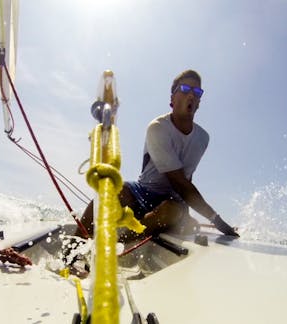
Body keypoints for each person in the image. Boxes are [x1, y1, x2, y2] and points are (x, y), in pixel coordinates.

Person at [77, 69, 239, 240]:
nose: (191, 95)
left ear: (199, 102)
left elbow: (186, 179)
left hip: (173, 202)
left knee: (170, 210)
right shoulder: (158, 128)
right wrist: (216, 219)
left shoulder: (202, 139)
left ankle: (123, 245)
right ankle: (73, 249)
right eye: (185, 89)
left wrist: (187, 214)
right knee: (112, 190)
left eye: (197, 92)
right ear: (172, 99)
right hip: (143, 191)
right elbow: (178, 182)